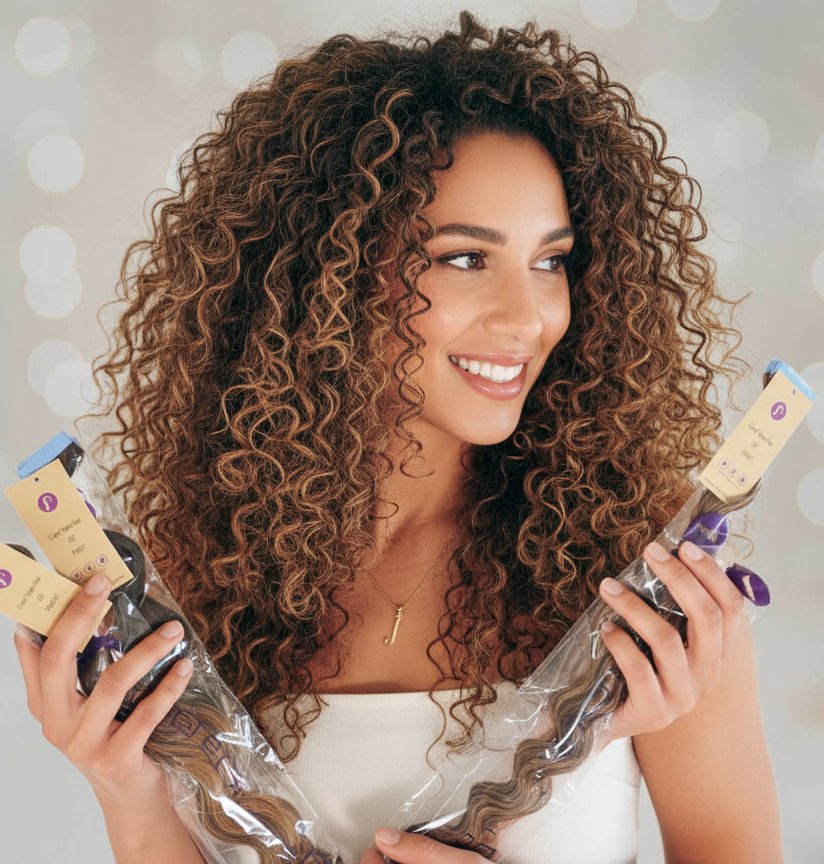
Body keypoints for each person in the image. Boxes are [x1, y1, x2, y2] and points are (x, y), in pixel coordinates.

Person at [12, 12, 784, 864]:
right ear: (324, 273)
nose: (529, 316)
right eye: (463, 258)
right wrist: (129, 795)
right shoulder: (193, 576)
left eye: (551, 259)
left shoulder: (644, 579)